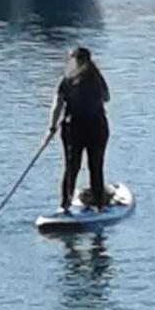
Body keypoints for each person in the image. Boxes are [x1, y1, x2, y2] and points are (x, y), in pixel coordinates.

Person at [47, 47, 110, 214]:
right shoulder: (97, 77)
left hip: (73, 128)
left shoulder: (66, 79)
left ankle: (64, 204)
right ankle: (99, 205)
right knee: (96, 166)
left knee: (71, 166)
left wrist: (52, 127)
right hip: (97, 127)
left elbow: (57, 105)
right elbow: (107, 98)